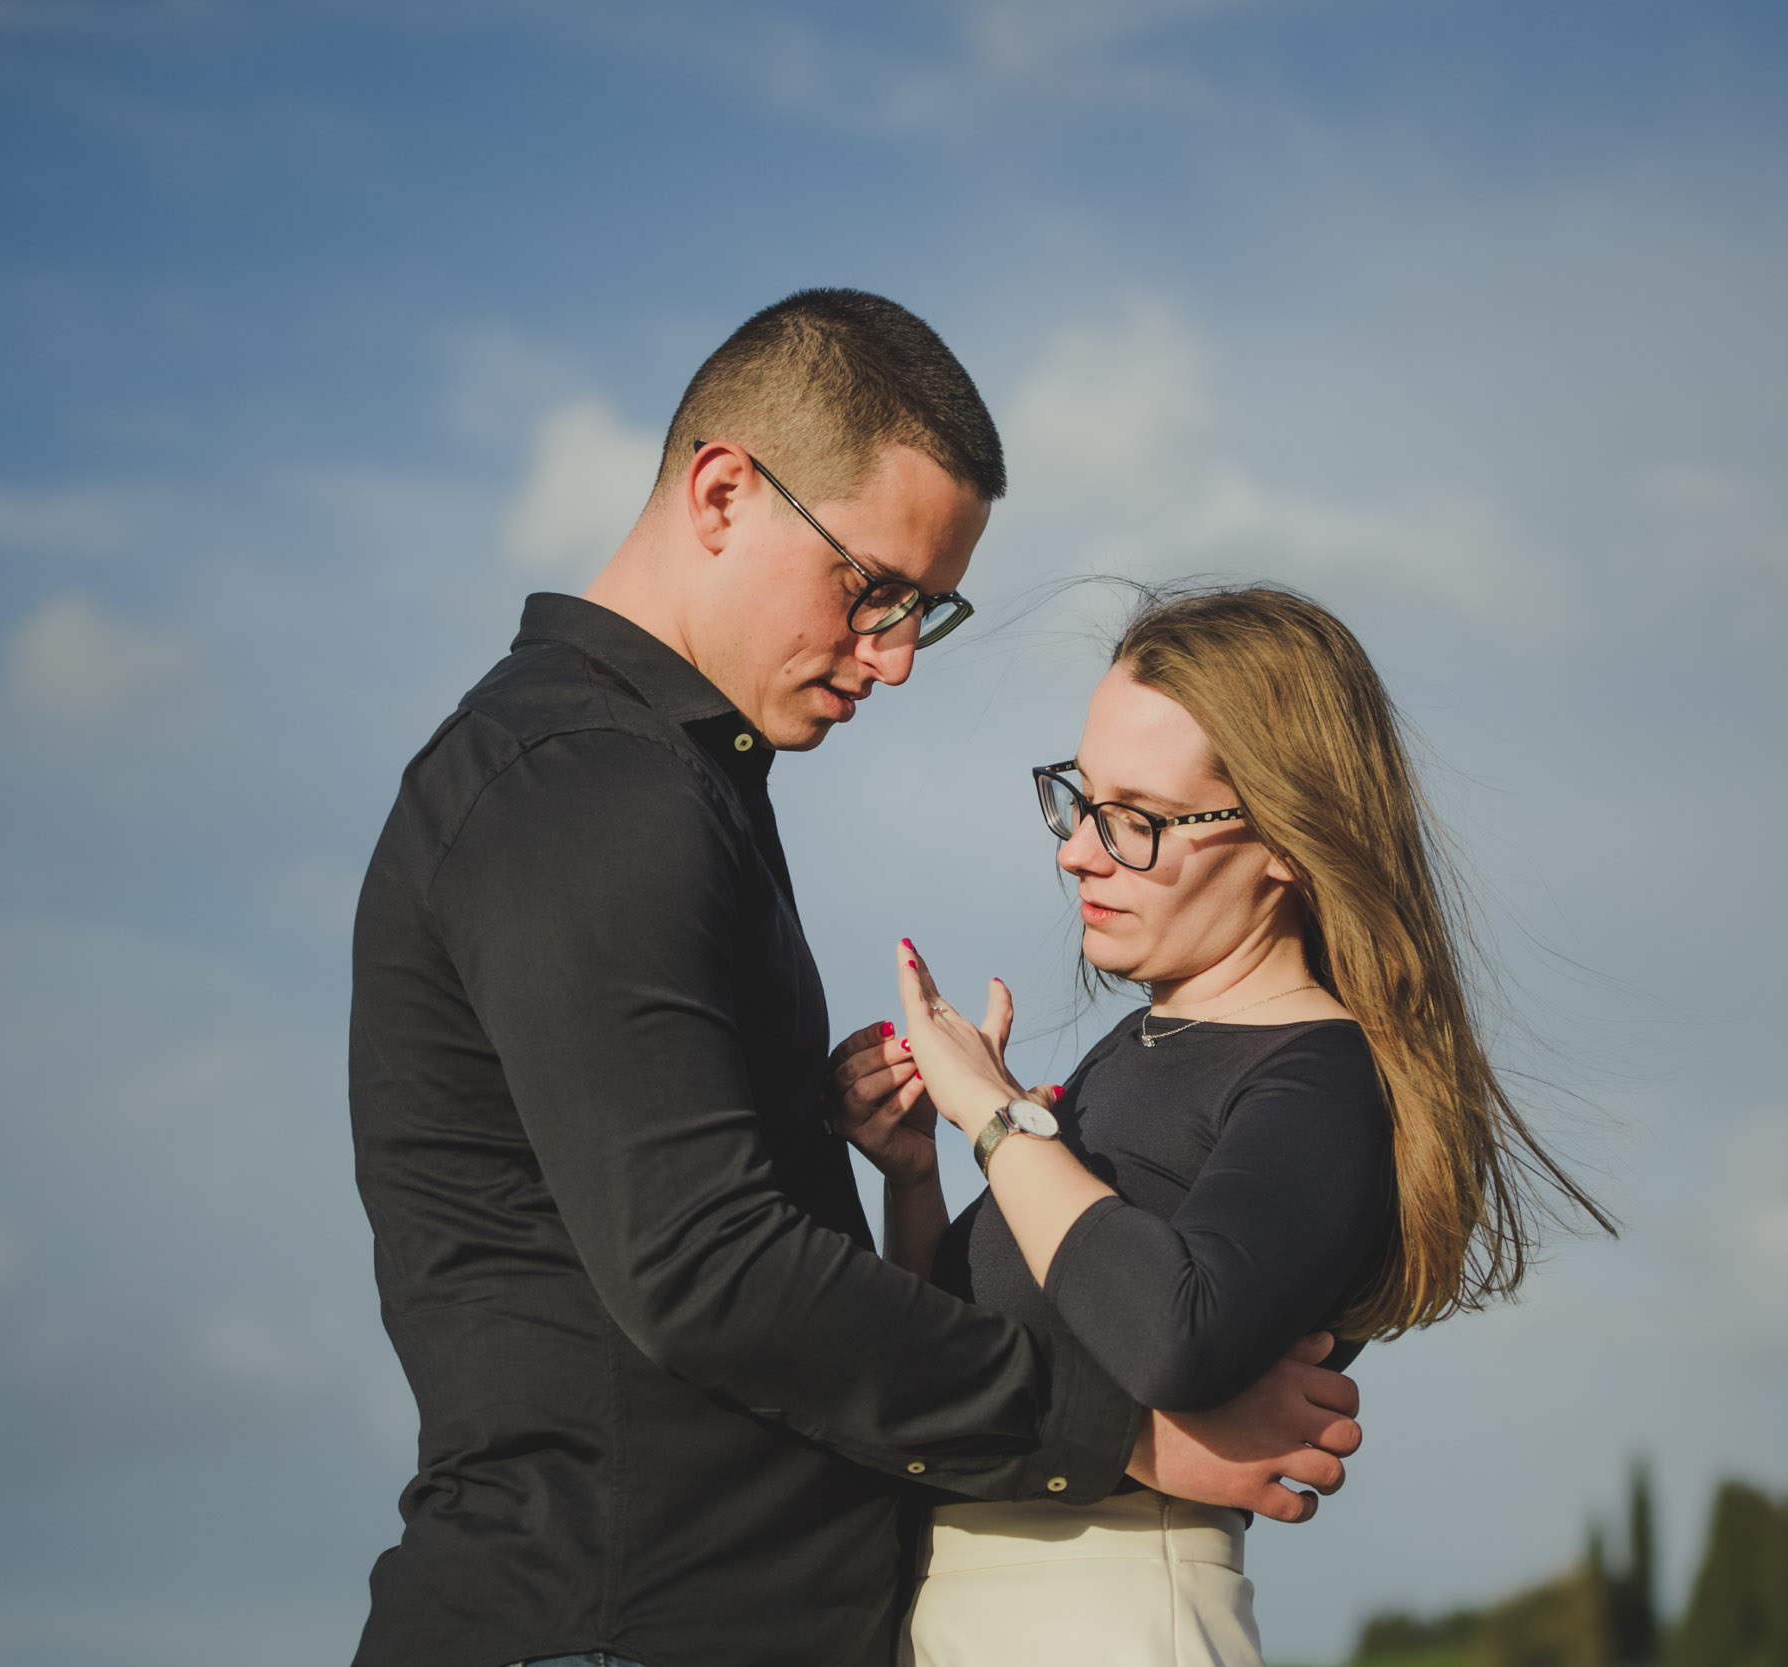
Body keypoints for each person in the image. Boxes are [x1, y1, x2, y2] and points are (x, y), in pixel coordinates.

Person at [346, 294, 1365, 1667]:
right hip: (616, 1618)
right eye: (870, 588)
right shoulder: (590, 790)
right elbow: (709, 1268)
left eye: (924, 615)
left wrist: (902, 1174)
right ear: (721, 491)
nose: (890, 653)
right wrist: (1120, 1429)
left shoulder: (665, 777)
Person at [830, 584, 1612, 1667]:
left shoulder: (1322, 1076)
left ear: (1285, 840)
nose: (1077, 853)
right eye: (1080, 798)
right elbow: (946, 1358)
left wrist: (998, 1117)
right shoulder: (1139, 1046)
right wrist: (917, 1171)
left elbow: (1175, 1336)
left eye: (1136, 820)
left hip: (1104, 1617)